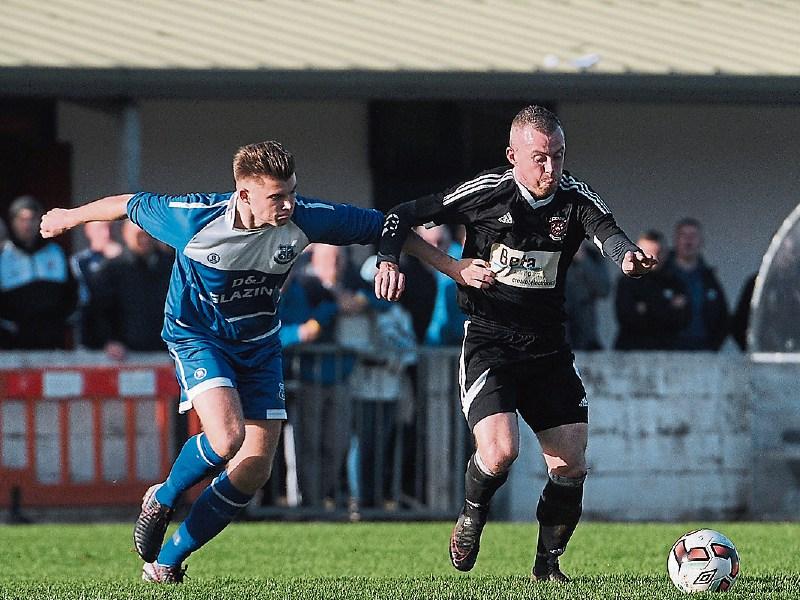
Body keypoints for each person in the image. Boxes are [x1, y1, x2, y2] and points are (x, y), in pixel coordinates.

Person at [40, 140, 482, 584]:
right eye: (276, 196)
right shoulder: (192, 217)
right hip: (199, 337)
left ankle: (167, 563)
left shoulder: (307, 216)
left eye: (291, 191)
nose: (288, 204)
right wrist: (67, 217)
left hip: (259, 345)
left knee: (253, 468)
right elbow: (128, 204)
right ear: (243, 193)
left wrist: (452, 267)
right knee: (226, 437)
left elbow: (388, 226)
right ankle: (164, 497)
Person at [373, 105, 657, 582]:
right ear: (514, 156)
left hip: (548, 348)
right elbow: (402, 215)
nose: (551, 169)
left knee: (570, 466)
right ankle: (471, 517)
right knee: (501, 452)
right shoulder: (486, 193)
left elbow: (608, 232)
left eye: (559, 157)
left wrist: (626, 257)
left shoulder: (574, 197)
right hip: (490, 342)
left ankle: (547, 565)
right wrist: (393, 261)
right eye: (541, 158)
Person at [0, 195, 78, 349]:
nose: (27, 225)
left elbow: (73, 293)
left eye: (31, 219)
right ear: (12, 222)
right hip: (15, 343)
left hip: (54, 341)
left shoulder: (57, 253)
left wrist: (63, 323)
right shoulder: (4, 256)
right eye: (21, 220)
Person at [90, 220, 173, 360]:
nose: (144, 240)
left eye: (148, 235)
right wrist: (110, 340)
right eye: (139, 235)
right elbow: (100, 309)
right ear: (126, 235)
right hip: (127, 354)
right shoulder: (112, 270)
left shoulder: (172, 266)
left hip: (168, 351)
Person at [614, 230, 690, 350]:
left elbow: (683, 319)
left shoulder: (675, 281)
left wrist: (647, 308)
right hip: (632, 349)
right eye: (648, 252)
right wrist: (666, 308)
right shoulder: (628, 281)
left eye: (658, 252)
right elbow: (627, 318)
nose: (653, 258)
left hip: (667, 349)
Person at [662, 218, 729, 350]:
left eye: (693, 236)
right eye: (684, 235)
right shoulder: (662, 275)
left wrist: (713, 346)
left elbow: (723, 316)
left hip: (703, 350)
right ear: (676, 240)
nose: (688, 241)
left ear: (701, 242)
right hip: (669, 352)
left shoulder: (708, 278)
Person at [70, 221, 123, 348]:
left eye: (109, 228)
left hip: (121, 327)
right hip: (91, 328)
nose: (106, 234)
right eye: (100, 229)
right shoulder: (79, 261)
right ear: (88, 231)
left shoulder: (123, 258)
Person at [564, 241, 611, 350]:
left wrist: (583, 260)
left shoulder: (592, 256)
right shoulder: (549, 254)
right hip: (560, 330)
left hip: (586, 331)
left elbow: (603, 289)